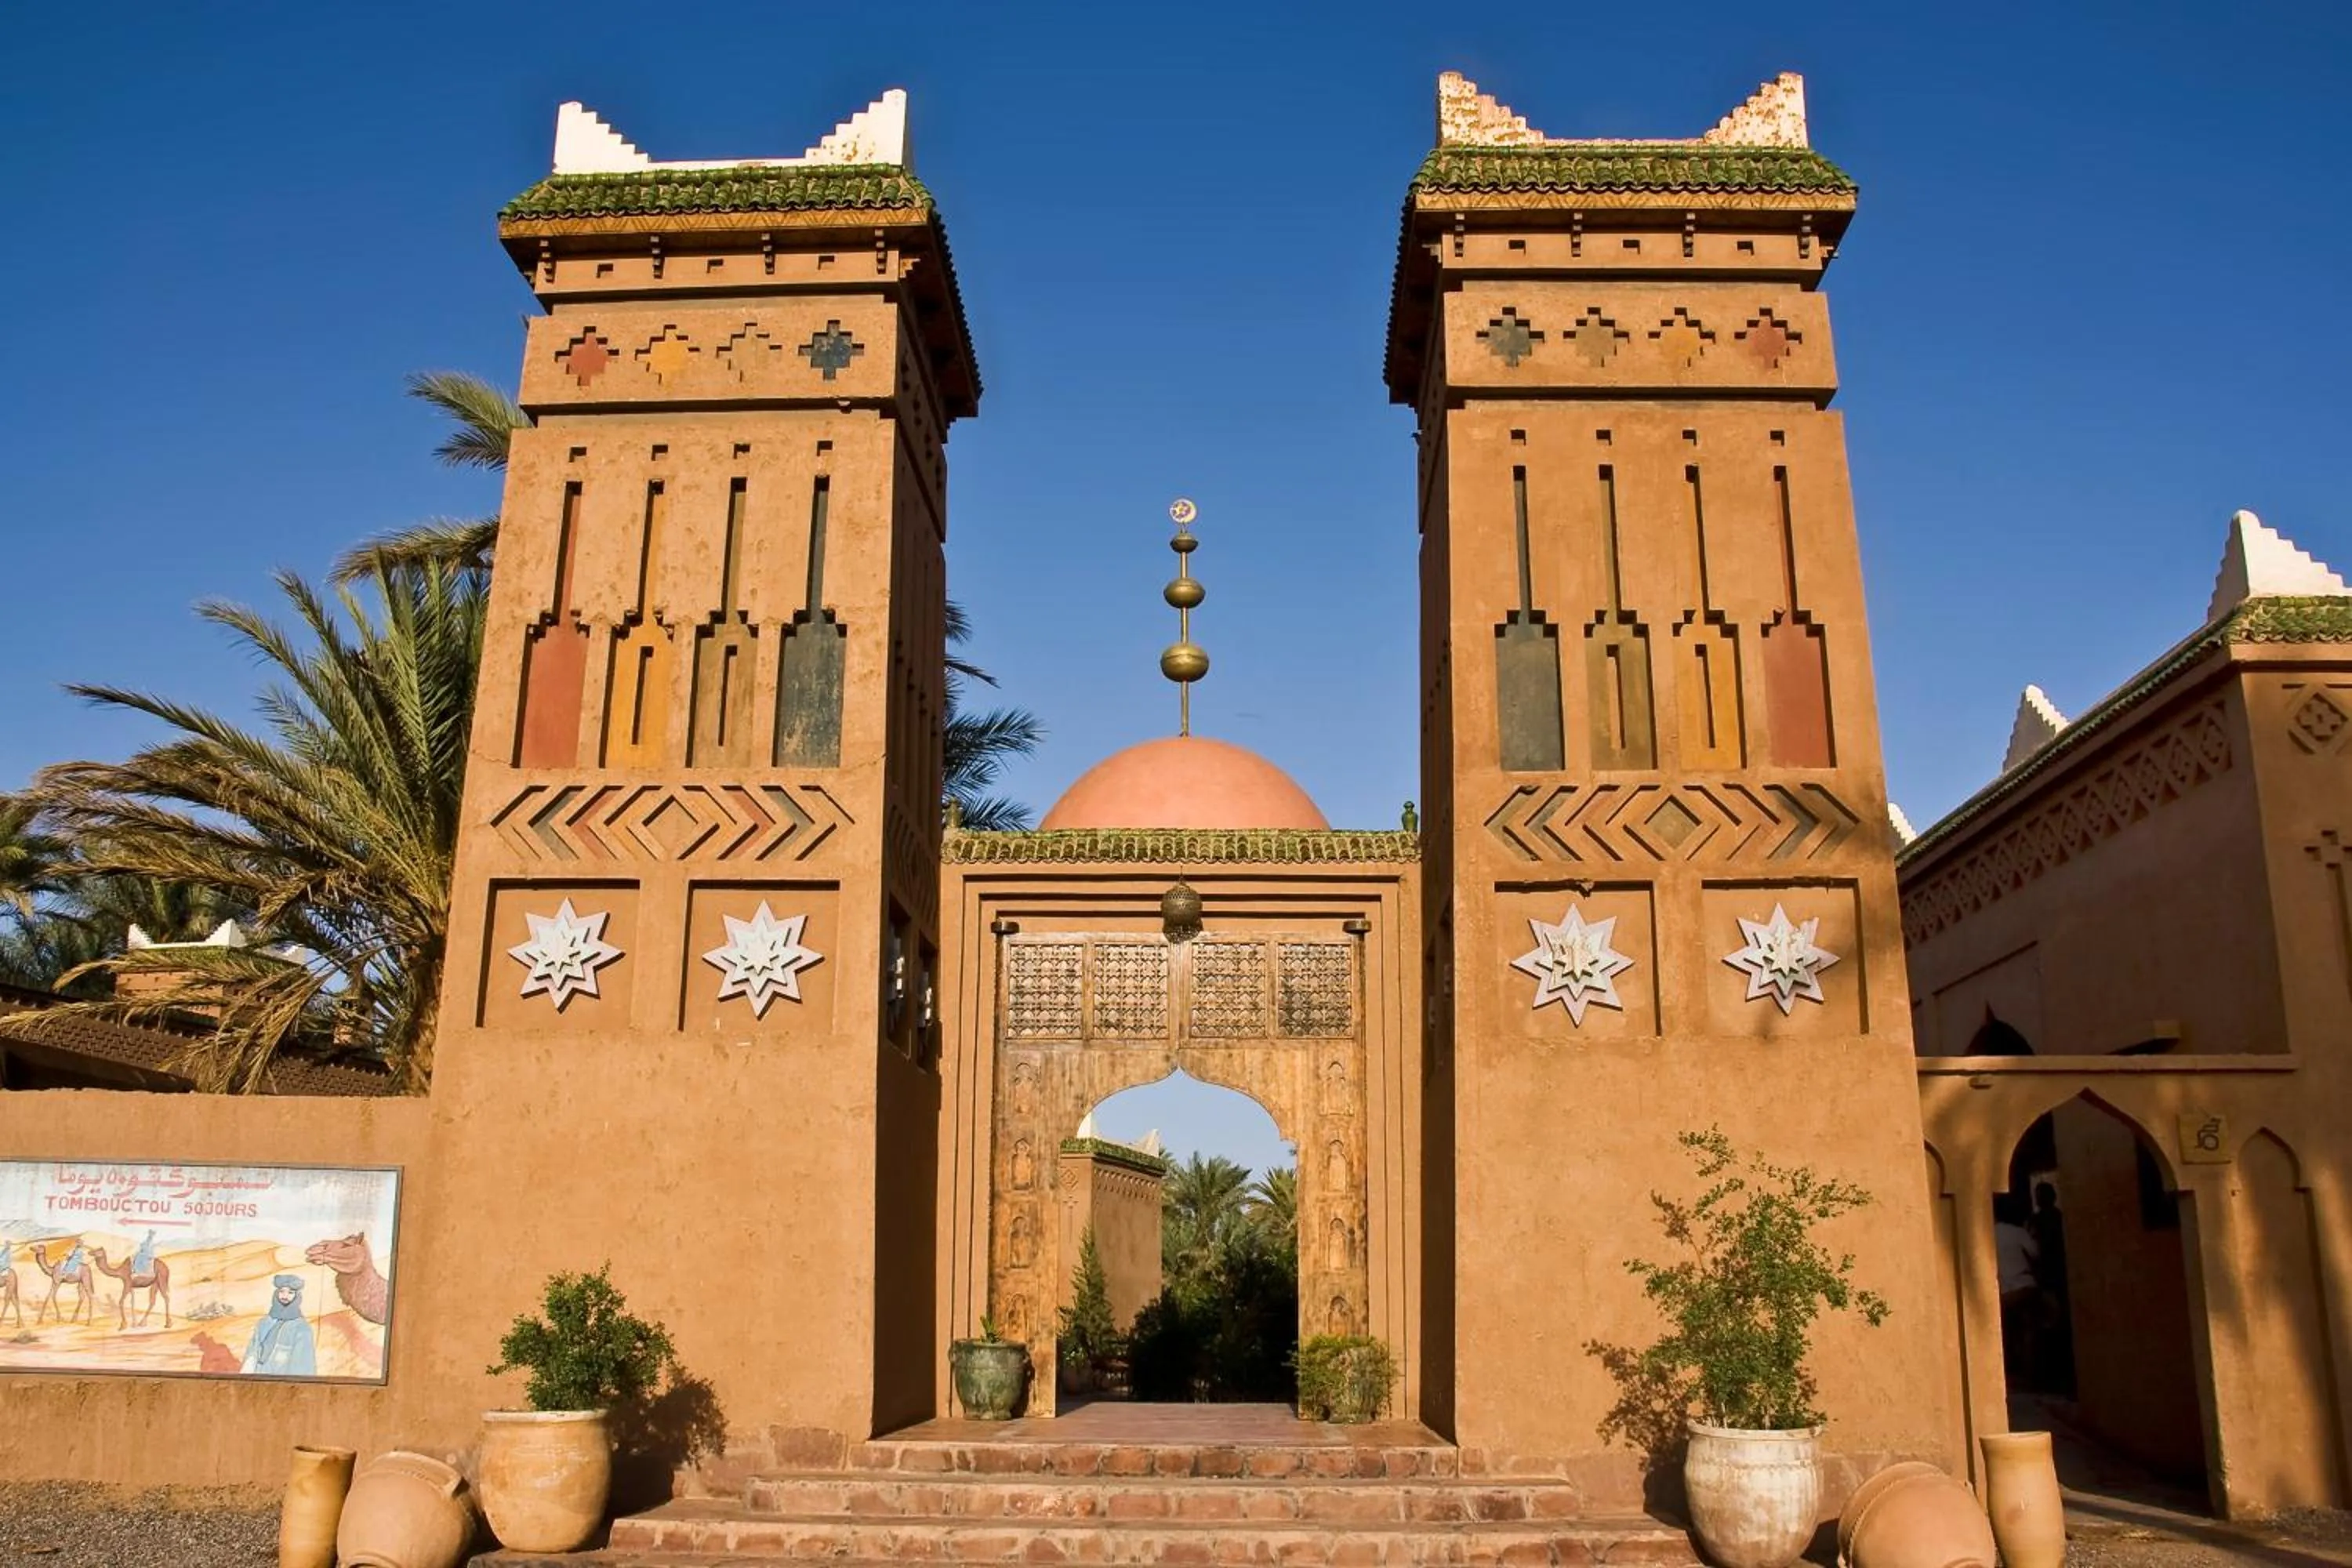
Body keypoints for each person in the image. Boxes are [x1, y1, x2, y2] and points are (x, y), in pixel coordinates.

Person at [1994, 1192, 2041, 1386]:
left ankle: (2009, 1378)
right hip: (2024, 1287)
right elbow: (2036, 1254)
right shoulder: (2018, 1232)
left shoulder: (1988, 1233)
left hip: (2003, 1293)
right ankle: (2031, 1377)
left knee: (2005, 1335)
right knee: (2028, 1333)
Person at [241, 1275, 318, 1376]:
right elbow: (252, 1351)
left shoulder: (301, 1328)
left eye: (290, 1293)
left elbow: (302, 1364)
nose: (285, 1296)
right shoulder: (264, 1323)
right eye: (282, 1291)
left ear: (297, 1296)